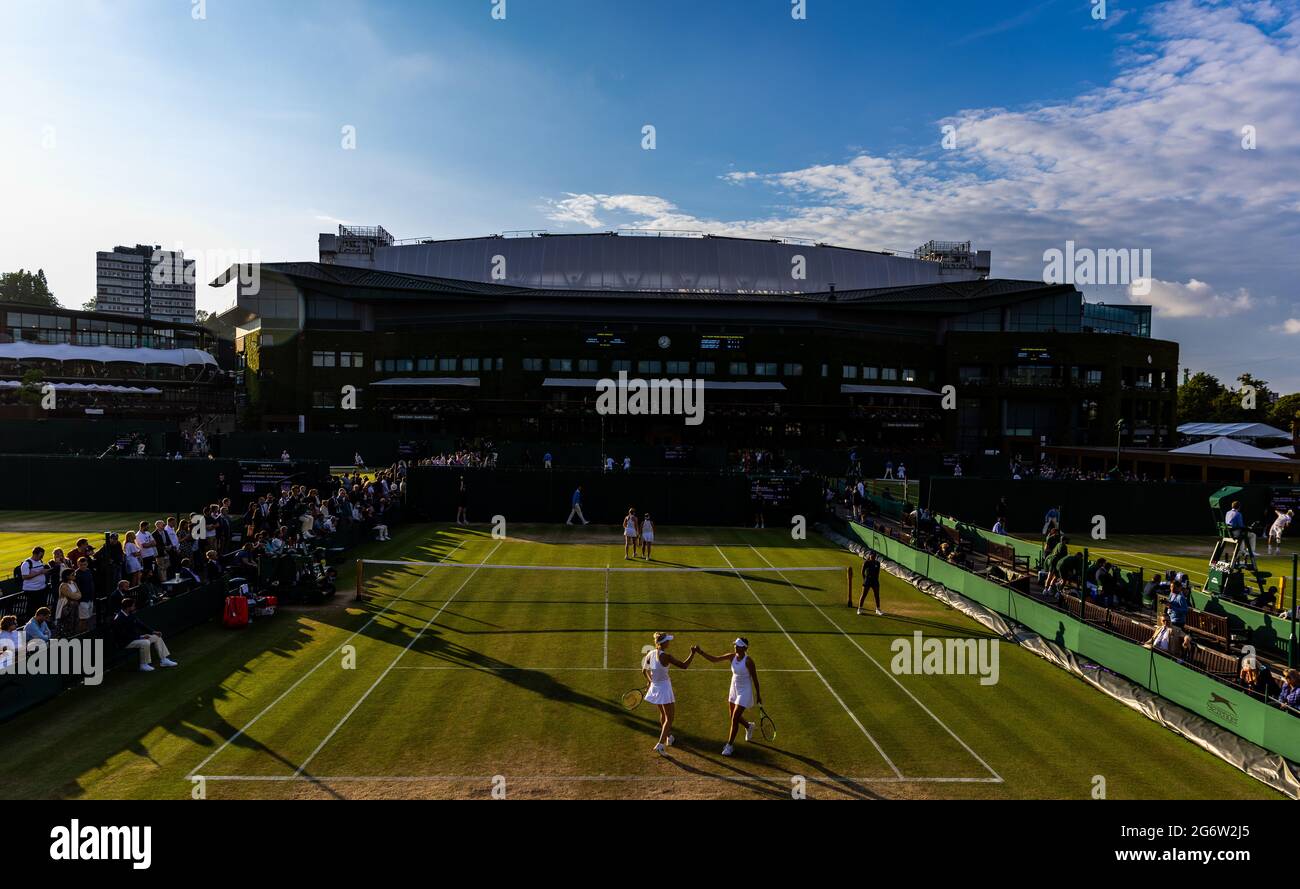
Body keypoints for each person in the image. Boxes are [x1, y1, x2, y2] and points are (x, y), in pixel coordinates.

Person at [693, 638, 762, 757]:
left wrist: (758, 695)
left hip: (744, 691)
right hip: (734, 688)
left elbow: (755, 679)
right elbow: (714, 659)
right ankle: (749, 726)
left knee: (735, 718)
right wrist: (700, 652)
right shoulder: (732, 656)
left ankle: (729, 745)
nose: (735, 647)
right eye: (735, 645)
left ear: (745, 648)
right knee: (732, 716)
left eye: (738, 645)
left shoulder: (749, 661)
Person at [643, 632, 695, 754]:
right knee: (669, 718)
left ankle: (668, 737)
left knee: (663, 714)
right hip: (664, 689)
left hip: (655, 688)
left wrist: (650, 681)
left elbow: (644, 671)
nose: (669, 642)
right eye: (668, 641)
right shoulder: (666, 656)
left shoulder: (650, 653)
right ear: (663, 643)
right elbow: (684, 665)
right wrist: (692, 653)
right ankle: (660, 744)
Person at [111, 597, 177, 673]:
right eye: (133, 606)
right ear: (128, 607)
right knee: (145, 642)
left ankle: (164, 660)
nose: (134, 607)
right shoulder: (119, 619)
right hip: (125, 642)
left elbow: (140, 624)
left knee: (157, 637)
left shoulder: (130, 614)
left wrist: (153, 632)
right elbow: (123, 635)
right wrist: (140, 637)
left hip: (134, 639)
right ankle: (143, 665)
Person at [55, 568, 82, 636]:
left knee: (75, 622)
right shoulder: (63, 585)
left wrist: (76, 595)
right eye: (72, 574)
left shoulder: (74, 583)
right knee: (67, 623)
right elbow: (71, 595)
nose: (74, 575)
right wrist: (76, 595)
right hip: (66, 607)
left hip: (74, 606)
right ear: (67, 576)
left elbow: (80, 594)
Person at [858, 549, 883, 616]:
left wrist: (876, 580)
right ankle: (860, 608)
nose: (873, 556)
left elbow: (878, 573)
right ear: (870, 555)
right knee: (864, 595)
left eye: (874, 555)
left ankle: (878, 609)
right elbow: (862, 572)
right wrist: (865, 579)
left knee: (877, 595)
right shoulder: (866, 562)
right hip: (867, 580)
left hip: (875, 581)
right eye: (872, 555)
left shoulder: (877, 563)